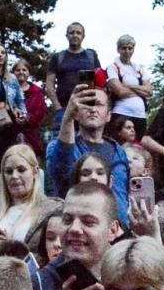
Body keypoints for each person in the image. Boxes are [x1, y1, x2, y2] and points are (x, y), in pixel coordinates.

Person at [32, 182, 124, 290]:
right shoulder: (40, 284)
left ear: (113, 230)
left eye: (88, 222)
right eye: (67, 220)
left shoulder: (131, 278)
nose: (74, 228)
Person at [49, 80, 129, 216]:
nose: (92, 109)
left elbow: (124, 194)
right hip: (79, 227)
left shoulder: (119, 151)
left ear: (108, 115)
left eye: (98, 104)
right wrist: (67, 116)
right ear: (76, 113)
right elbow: (60, 172)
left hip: (119, 230)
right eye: (87, 104)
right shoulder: (59, 145)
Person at [0, 144, 61, 260]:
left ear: (35, 172)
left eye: (21, 170)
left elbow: (56, 256)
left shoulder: (52, 210)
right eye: (9, 171)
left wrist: (12, 248)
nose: (14, 176)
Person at [45, 21, 102, 130]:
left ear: (83, 36)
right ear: (67, 35)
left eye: (78, 33)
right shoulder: (58, 57)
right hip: (64, 108)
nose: (75, 35)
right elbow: (49, 84)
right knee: (62, 144)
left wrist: (97, 105)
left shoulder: (91, 56)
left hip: (87, 109)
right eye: (72, 32)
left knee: (87, 144)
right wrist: (57, 106)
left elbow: (100, 82)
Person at [106, 33, 153, 137]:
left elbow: (149, 91)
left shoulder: (138, 69)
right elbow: (120, 92)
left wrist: (128, 86)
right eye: (124, 48)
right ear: (118, 49)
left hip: (140, 115)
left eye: (130, 48)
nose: (127, 51)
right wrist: (141, 91)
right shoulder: (113, 67)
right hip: (121, 112)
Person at [12, 57, 49, 158]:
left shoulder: (36, 91)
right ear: (13, 72)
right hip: (10, 133)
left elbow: (40, 112)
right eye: (18, 70)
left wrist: (27, 118)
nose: (21, 72)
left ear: (29, 72)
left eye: (24, 70)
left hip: (31, 134)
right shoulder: (8, 89)